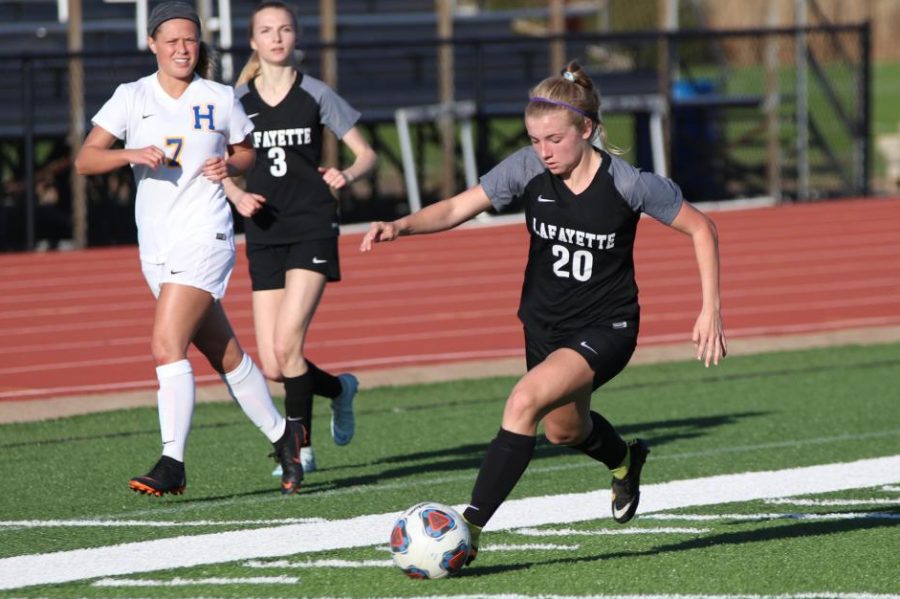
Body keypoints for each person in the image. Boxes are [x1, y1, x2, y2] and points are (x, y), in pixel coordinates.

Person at [360, 60, 727, 562]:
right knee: (565, 431)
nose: (543, 150)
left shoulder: (630, 183)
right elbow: (454, 208)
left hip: (608, 326)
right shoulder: (527, 170)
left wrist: (710, 310)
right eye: (535, 139)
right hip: (543, 324)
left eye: (554, 139)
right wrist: (399, 226)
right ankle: (625, 462)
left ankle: (469, 528)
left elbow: (702, 228)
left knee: (523, 401)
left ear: (588, 130)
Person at [74, 1, 306, 496]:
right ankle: (285, 435)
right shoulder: (131, 96)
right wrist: (129, 154)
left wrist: (232, 165)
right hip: (156, 244)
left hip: (206, 235)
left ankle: (172, 462)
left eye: (190, 40)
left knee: (165, 344)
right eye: (172, 40)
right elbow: (85, 159)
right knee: (222, 352)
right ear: (153, 44)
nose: (183, 49)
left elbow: (246, 149)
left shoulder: (218, 96)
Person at [223, 1, 376, 475]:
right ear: (253, 41)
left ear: (295, 37)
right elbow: (215, 163)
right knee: (272, 364)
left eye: (284, 29)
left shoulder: (316, 93)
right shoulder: (236, 100)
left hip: (311, 224)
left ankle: (301, 449)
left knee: (289, 344)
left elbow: (367, 154)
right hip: (264, 230)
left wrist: (347, 176)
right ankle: (339, 390)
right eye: (266, 31)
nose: (276, 38)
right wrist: (235, 195)